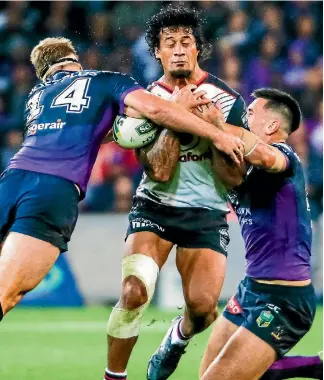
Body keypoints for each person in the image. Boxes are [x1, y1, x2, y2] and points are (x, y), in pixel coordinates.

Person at [0, 37, 244, 325]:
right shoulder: (106, 80)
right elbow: (155, 109)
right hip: (52, 191)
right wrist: (214, 132)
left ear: (44, 72)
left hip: (11, 181)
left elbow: (92, 133)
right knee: (6, 293)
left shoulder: (37, 96)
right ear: (74, 60)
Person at [105, 5, 249, 380]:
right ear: (157, 52)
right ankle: (113, 376)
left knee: (202, 310)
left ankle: (177, 337)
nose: (180, 50)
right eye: (170, 44)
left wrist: (215, 129)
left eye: (187, 42)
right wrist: (175, 119)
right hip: (154, 208)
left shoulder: (228, 101)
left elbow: (235, 179)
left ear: (198, 49)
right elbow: (160, 169)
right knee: (134, 292)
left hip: (205, 212)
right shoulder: (146, 101)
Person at [198, 88, 320, 380]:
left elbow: (265, 157)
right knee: (210, 375)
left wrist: (217, 125)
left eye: (251, 113)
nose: (243, 116)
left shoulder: (283, 157)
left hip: (285, 299)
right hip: (251, 290)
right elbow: (225, 173)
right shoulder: (247, 168)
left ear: (272, 126)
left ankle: (316, 366)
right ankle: (312, 366)